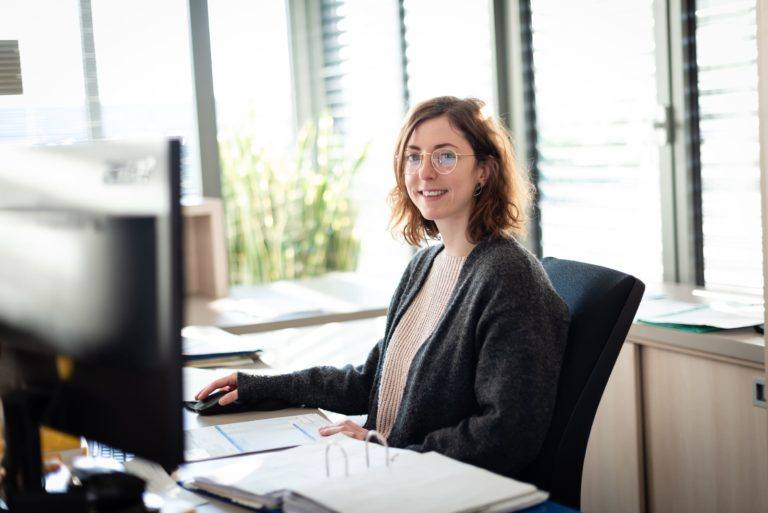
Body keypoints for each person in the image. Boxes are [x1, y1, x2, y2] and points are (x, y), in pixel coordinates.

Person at [196, 96, 570, 478]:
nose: (424, 173)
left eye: (445, 156)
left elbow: (507, 434)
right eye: (413, 157)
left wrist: (386, 451)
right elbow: (369, 381)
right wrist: (263, 387)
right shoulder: (426, 264)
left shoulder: (508, 277)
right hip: (387, 472)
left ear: (484, 172)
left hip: (431, 486)